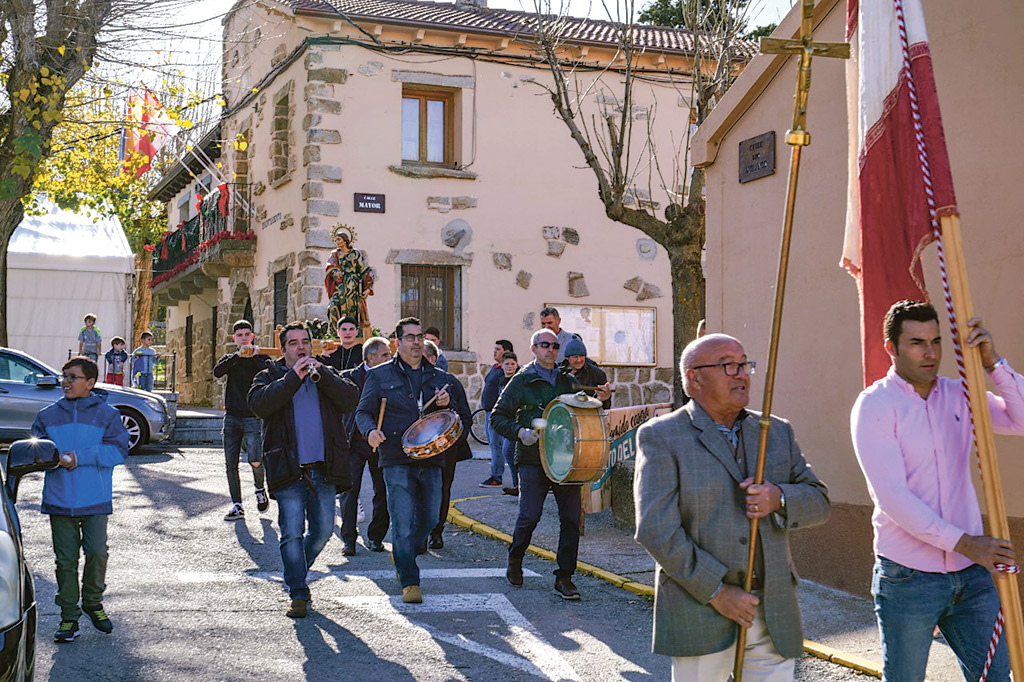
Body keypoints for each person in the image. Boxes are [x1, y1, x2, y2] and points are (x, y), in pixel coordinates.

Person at [632, 333, 830, 680]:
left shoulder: (776, 431)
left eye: (744, 364)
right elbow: (656, 529)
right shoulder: (662, 436)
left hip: (772, 612)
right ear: (694, 378)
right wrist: (718, 593)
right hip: (700, 609)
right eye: (728, 365)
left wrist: (778, 498)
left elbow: (819, 502)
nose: (741, 374)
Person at [851, 301, 1024, 682]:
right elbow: (893, 498)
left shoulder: (960, 393)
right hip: (909, 577)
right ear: (891, 348)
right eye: (916, 343)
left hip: (972, 574)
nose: (930, 353)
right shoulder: (875, 405)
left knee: (997, 678)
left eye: (936, 341)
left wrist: (994, 364)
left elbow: (1022, 419)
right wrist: (967, 543)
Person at [247, 322, 360, 618]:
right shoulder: (269, 376)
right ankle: (298, 591)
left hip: (323, 468)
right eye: (294, 343)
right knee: (291, 533)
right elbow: (258, 405)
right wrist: (291, 379)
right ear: (283, 349)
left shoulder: (324, 373)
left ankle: (296, 572)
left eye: (305, 342)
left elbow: (350, 399)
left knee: (323, 531)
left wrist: (324, 376)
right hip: (288, 468)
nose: (301, 347)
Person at [355, 317, 471, 604]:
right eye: (410, 337)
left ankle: (403, 551)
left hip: (431, 457)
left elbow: (457, 416)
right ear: (398, 342)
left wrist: (447, 404)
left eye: (420, 337)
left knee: (430, 518)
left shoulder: (441, 378)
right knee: (402, 520)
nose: (417, 342)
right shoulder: (380, 375)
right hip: (395, 456)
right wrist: (370, 432)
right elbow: (363, 412)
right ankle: (409, 579)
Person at [491, 329, 611, 600]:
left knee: (571, 518)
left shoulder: (566, 380)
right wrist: (520, 432)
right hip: (532, 458)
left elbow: (585, 413)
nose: (551, 350)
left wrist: (602, 401)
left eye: (555, 346)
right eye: (545, 345)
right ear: (533, 349)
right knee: (529, 515)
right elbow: (497, 416)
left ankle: (564, 577)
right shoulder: (522, 380)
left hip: (564, 459)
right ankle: (515, 557)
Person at [31, 356, 130, 643]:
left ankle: (92, 602)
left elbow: (119, 451)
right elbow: (36, 450)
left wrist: (80, 457)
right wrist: (45, 458)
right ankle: (68, 618)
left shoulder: (108, 415)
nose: (66, 382)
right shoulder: (47, 415)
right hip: (59, 499)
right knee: (65, 561)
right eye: (64, 376)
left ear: (90, 382)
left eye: (72, 377)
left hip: (95, 499)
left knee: (97, 553)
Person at [338, 336, 393, 555]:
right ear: (371, 357)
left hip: (382, 443)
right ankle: (349, 540)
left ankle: (376, 537)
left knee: (383, 490)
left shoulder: (393, 377)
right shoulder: (348, 378)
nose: (389, 358)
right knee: (349, 491)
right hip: (354, 443)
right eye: (385, 355)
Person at [214, 320, 270, 521]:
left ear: (252, 336)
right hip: (231, 417)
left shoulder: (260, 357)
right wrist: (238, 356)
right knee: (231, 464)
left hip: (253, 417)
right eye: (240, 335)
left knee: (255, 459)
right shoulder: (231, 358)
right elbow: (217, 372)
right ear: (235, 338)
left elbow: (271, 373)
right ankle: (237, 505)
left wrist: (254, 356)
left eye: (247, 334)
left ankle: (259, 489)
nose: (244, 338)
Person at [422, 339, 472, 549]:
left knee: (441, 490)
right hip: (417, 448)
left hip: (444, 449)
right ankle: (419, 534)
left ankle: (436, 532)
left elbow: (465, 417)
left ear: (433, 359)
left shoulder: (449, 382)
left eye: (423, 357)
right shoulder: (407, 380)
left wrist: (454, 442)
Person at [324, 223, 374, 332]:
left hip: (353, 288)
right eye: (336, 240)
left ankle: (354, 332)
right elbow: (330, 267)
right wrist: (335, 273)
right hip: (340, 287)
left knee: (353, 312)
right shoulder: (334, 254)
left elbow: (365, 270)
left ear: (345, 241)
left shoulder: (356, 254)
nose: (337, 242)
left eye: (339, 239)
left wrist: (368, 288)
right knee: (333, 306)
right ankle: (335, 332)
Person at [480, 340, 514, 488]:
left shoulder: (506, 371)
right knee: (493, 445)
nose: (494, 352)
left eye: (498, 349)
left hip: (497, 414)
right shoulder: (495, 368)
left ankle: (496, 476)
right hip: (488, 412)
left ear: (506, 352)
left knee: (498, 446)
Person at [560, 337, 610, 409]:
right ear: (567, 358)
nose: (579, 360)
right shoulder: (558, 372)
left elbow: (606, 407)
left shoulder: (597, 374)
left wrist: (604, 398)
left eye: (582, 356)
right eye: (575, 357)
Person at [497, 352, 521, 496]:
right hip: (505, 421)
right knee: (508, 452)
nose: (510, 367)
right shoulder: (502, 380)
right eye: (507, 364)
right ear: (501, 365)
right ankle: (516, 483)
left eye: (513, 364)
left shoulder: (517, 381)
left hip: (515, 422)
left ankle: (518, 484)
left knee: (510, 451)